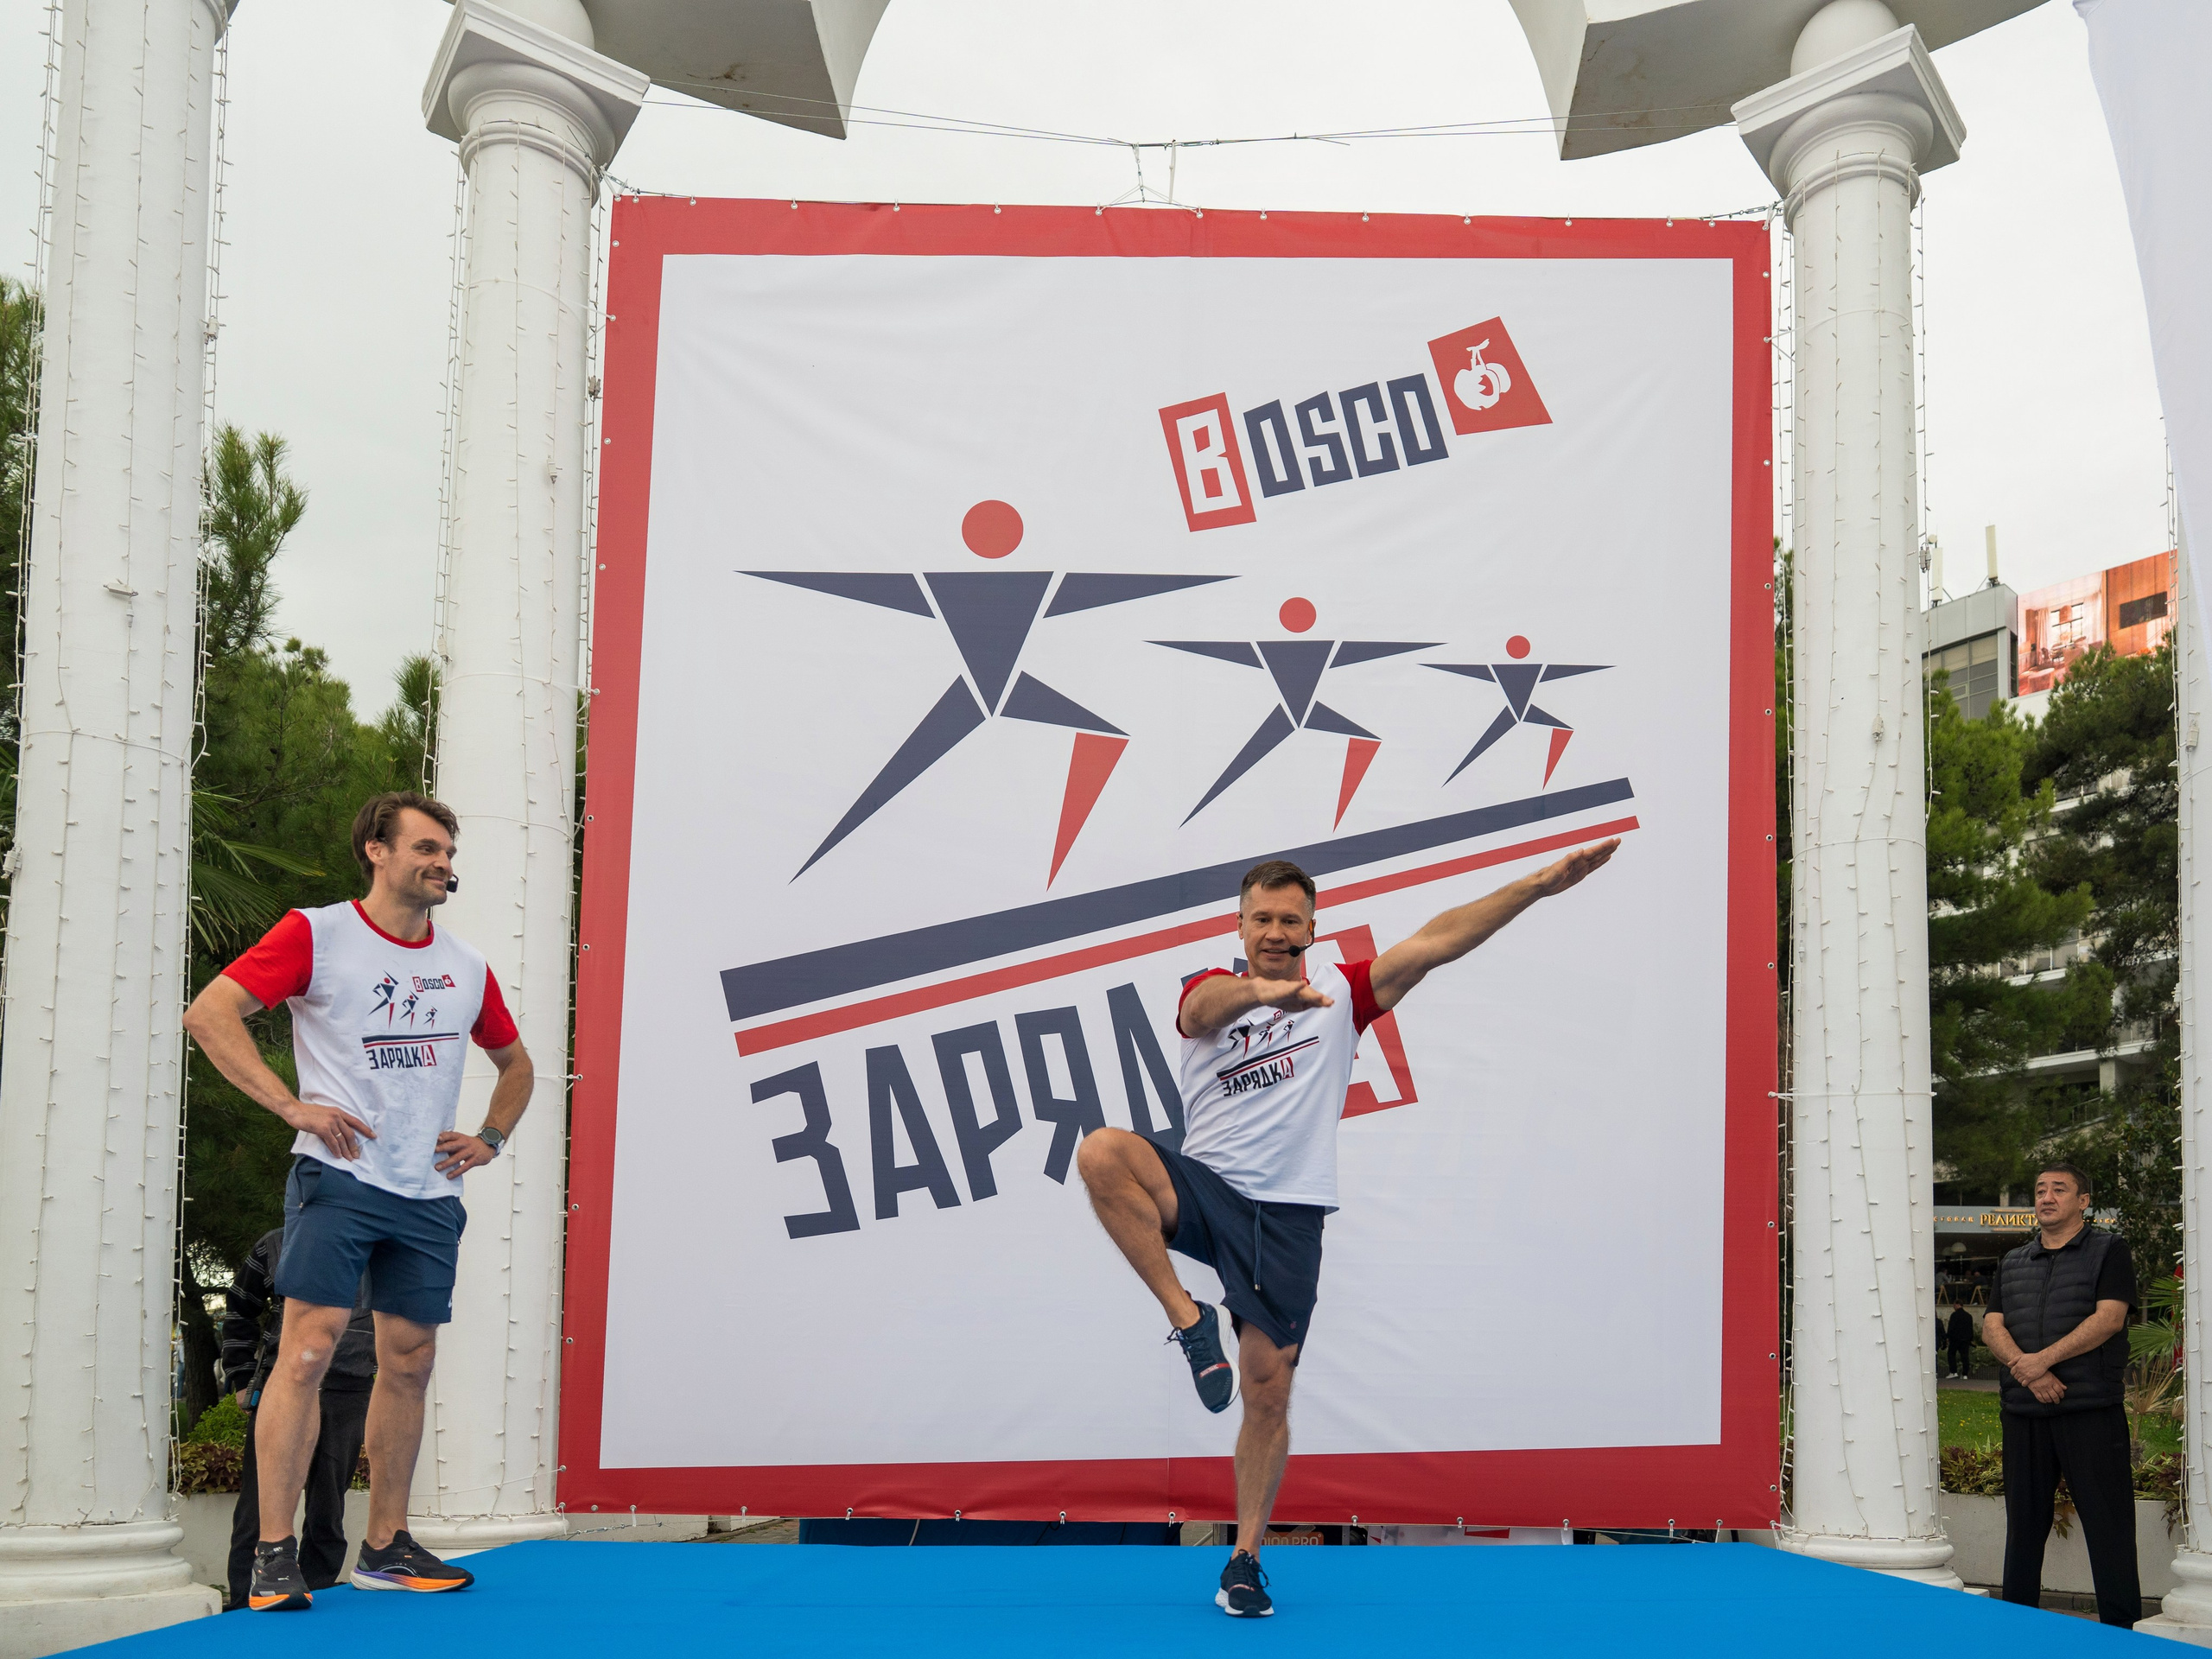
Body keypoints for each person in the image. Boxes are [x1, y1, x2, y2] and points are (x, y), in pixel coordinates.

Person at [1076, 844, 1618, 1618]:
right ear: (1240, 924)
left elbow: (1439, 940)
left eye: (1288, 919)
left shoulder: (1344, 991)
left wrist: (1535, 886)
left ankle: (1244, 1560)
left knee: (1268, 1390)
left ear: (1311, 927)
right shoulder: (1210, 985)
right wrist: (1262, 994)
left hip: (1289, 1214)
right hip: (1208, 1191)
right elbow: (1200, 1013)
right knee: (1102, 1152)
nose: (1273, 928)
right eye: (1260, 917)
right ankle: (1186, 1319)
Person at [183, 791, 535, 1612]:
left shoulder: (466, 965)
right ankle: (274, 1554)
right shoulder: (319, 933)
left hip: (427, 1192)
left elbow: (518, 1065)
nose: (444, 864)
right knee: (306, 1352)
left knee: (409, 1361)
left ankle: (385, 1547)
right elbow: (212, 1013)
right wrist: (290, 1106)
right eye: (426, 848)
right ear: (376, 851)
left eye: (449, 852)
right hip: (339, 1176)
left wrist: (490, 1138)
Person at [1980, 1163, 2139, 1627]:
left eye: (2059, 1190)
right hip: (2024, 1412)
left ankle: (2120, 1630)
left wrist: (2042, 1359)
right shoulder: (2013, 1261)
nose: (2046, 1197)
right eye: (2040, 1190)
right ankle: (2017, 1626)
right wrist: (2030, 1373)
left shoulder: (2110, 1250)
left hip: (2090, 1412)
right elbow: (1993, 1326)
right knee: (2024, 1528)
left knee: (2108, 1526)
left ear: (2083, 1201)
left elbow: (2109, 1318)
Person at [220, 1228, 373, 1610]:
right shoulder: (274, 1242)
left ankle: (316, 1595)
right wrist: (240, 1376)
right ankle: (243, 1601)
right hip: (283, 1388)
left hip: (348, 1388)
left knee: (328, 1509)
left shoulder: (380, 1241)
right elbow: (239, 1308)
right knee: (257, 1508)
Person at [1946, 1303, 1974, 1380]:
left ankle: (1953, 1372)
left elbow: (1951, 1327)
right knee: (1965, 1356)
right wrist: (1970, 1339)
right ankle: (1965, 1374)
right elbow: (1971, 1328)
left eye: (1954, 1305)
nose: (1954, 1307)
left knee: (1951, 1354)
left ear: (1957, 1305)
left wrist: (1948, 1337)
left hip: (1955, 1339)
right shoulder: (1968, 1316)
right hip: (1965, 1340)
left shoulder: (1954, 1315)